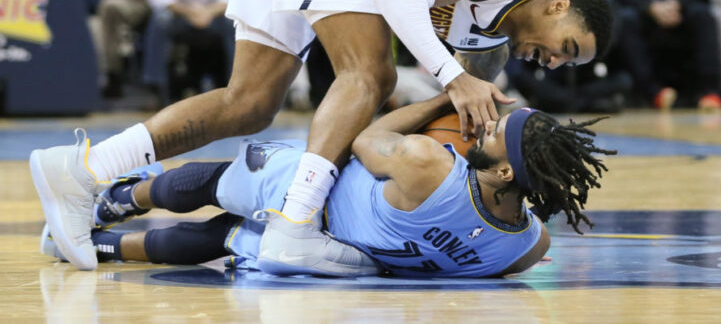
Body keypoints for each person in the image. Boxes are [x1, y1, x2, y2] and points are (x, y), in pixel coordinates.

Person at [31, 0, 612, 274]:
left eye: (570, 63)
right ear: (558, 5)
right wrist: (453, 80)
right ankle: (295, 225)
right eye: (568, 43)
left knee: (249, 103)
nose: (557, 61)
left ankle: (83, 169)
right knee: (370, 74)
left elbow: (459, 133)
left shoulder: (491, 52)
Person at [41, 94, 613, 277]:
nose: (487, 123)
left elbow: (367, 135)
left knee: (216, 183)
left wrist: (445, 98)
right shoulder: (526, 244)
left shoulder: (427, 164)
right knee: (224, 238)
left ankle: (117, 199)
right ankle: (99, 247)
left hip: (319, 197)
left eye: (497, 132)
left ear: (506, 169)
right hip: (344, 255)